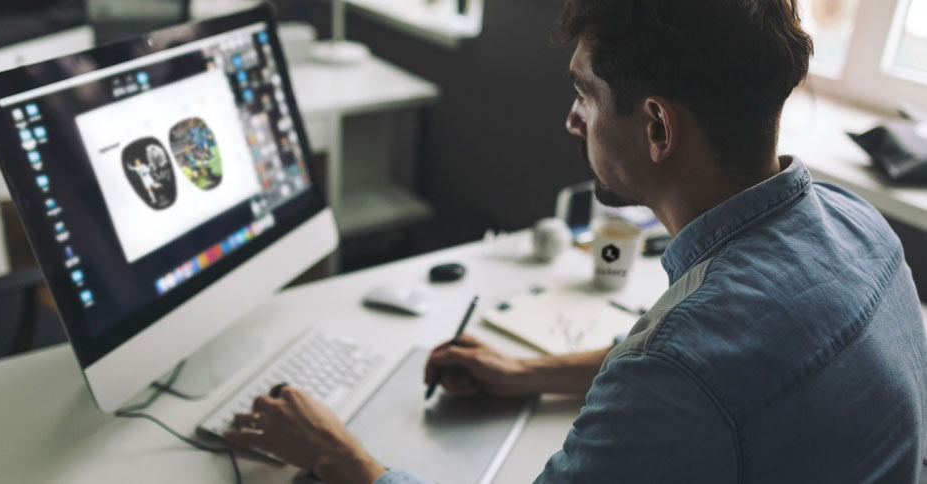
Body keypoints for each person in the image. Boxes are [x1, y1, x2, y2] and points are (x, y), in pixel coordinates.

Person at [225, 0, 927, 482]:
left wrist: (343, 458)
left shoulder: (680, 369)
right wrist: (530, 373)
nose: (571, 120)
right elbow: (720, 376)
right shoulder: (858, 225)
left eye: (585, 95)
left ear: (657, 128)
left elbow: (689, 372)